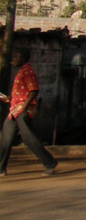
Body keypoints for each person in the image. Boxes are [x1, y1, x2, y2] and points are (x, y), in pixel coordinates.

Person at [0, 48, 59, 176]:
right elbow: (24, 93)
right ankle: (1, 168)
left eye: (16, 57)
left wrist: (23, 106)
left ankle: (50, 163)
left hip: (22, 110)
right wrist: (10, 100)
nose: (13, 60)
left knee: (28, 138)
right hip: (14, 110)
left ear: (23, 58)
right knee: (6, 138)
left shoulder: (28, 72)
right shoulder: (22, 71)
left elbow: (34, 90)